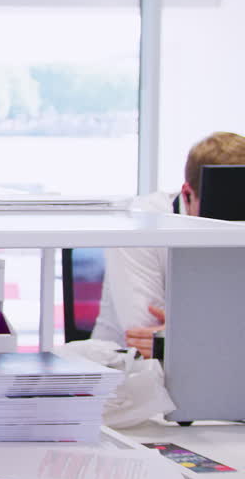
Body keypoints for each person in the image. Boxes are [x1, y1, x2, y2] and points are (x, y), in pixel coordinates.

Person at [92, 131, 245, 357]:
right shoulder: (140, 223)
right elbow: (144, 333)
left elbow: (169, 339)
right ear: (187, 194)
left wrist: (180, 331)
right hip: (131, 369)